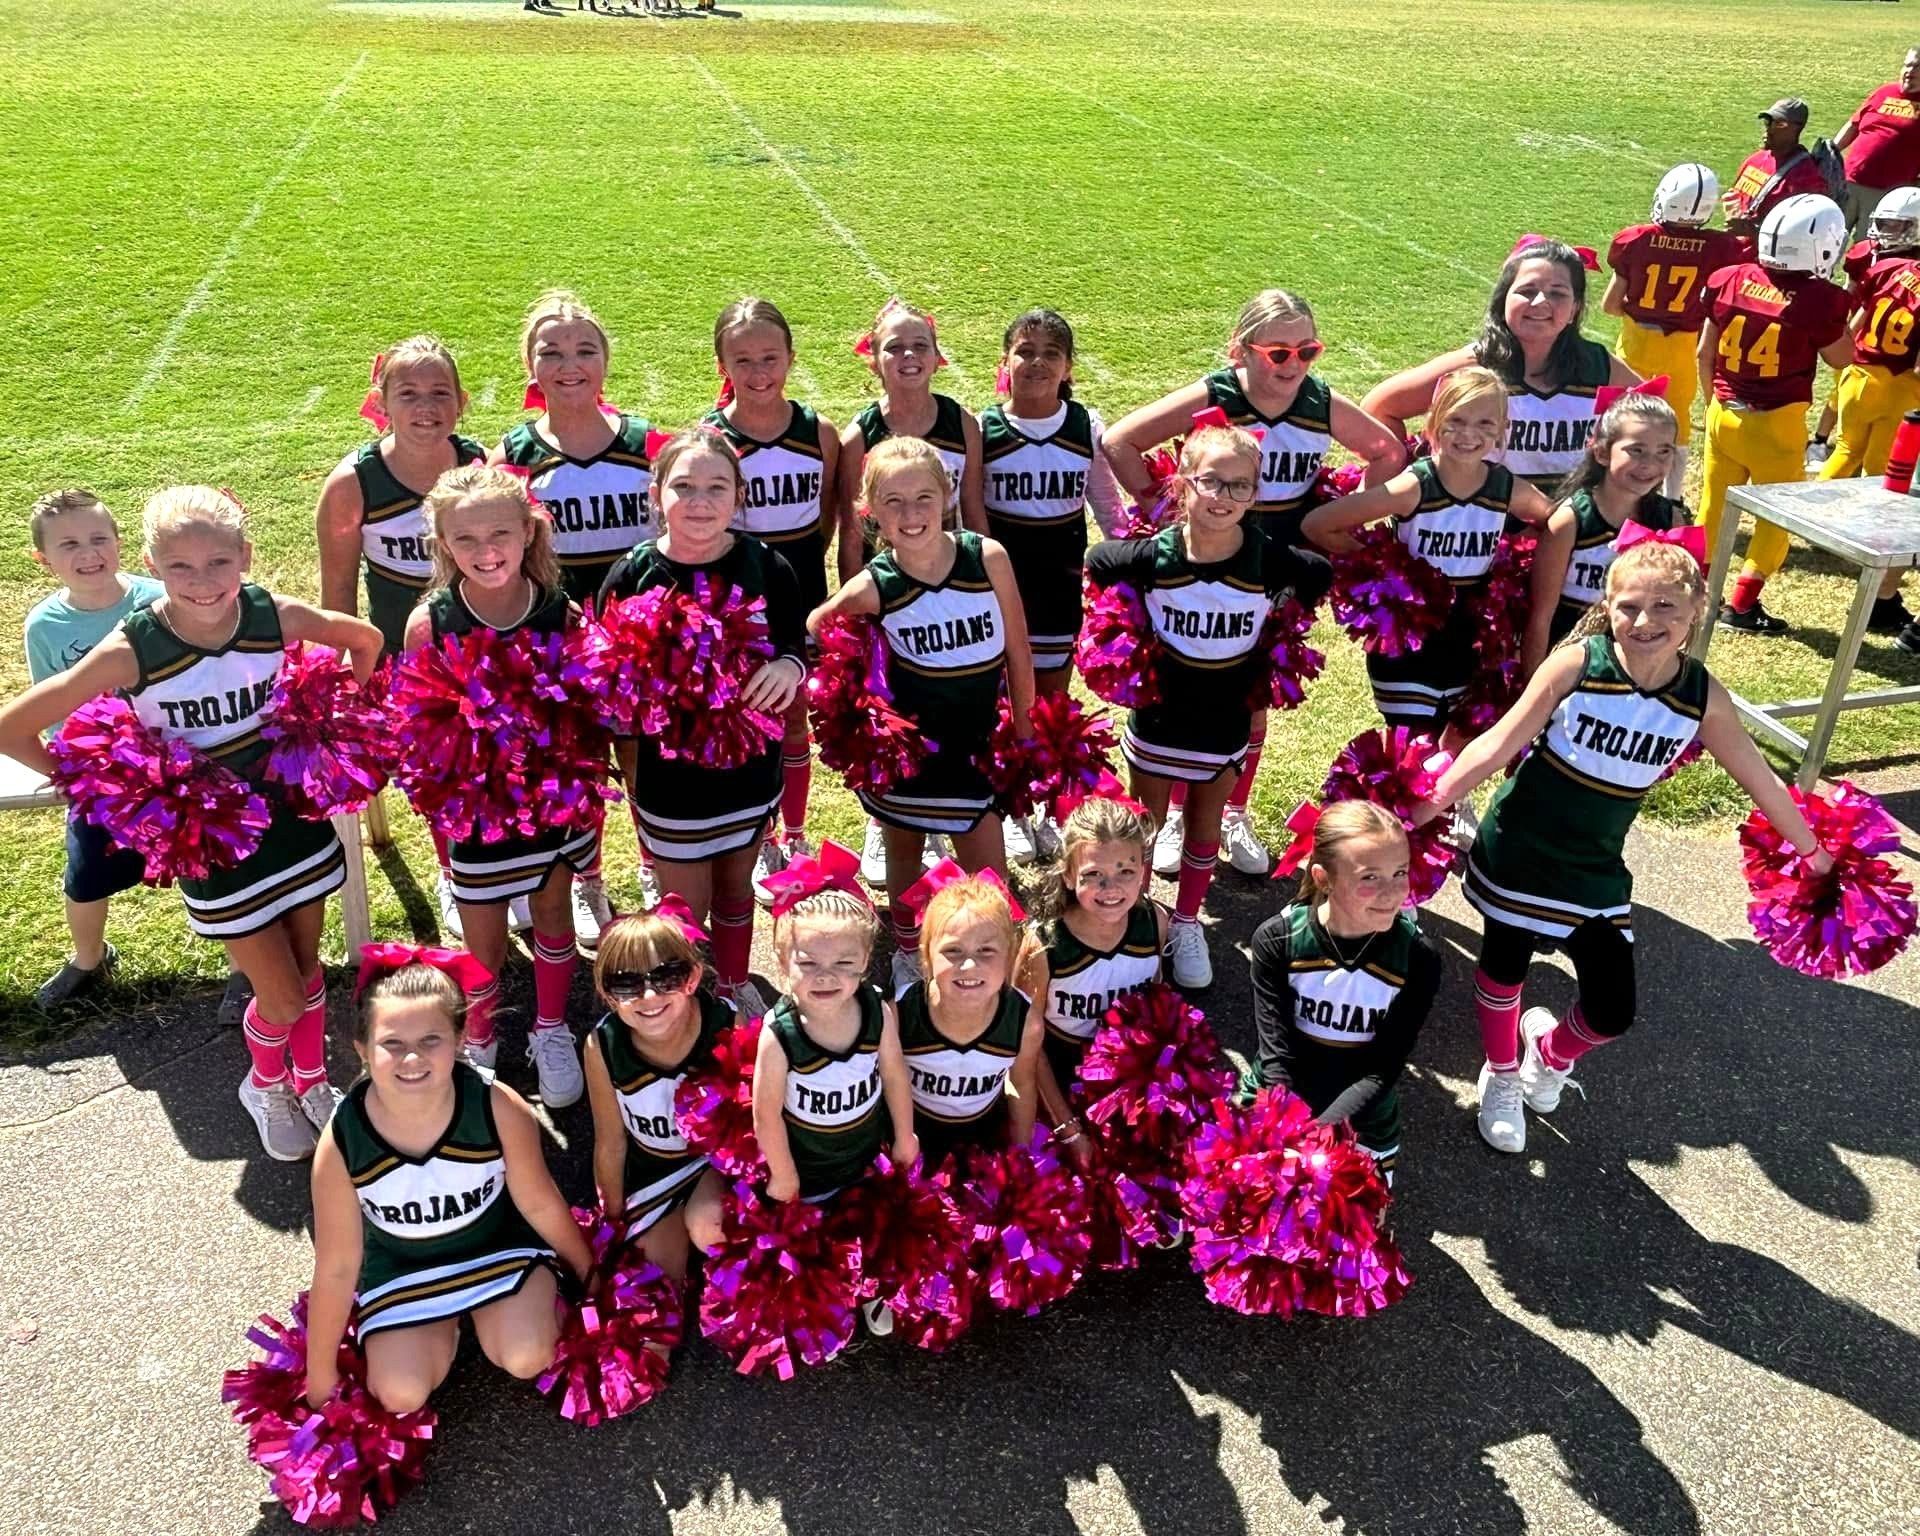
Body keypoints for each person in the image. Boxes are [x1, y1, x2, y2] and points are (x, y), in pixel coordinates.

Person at [1413, 540, 1835, 1155]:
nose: (1644, 622)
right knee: (1505, 968)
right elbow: (1497, 746)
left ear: (1697, 610)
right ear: (1607, 607)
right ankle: (1501, 1076)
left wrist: (1815, 854)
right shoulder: (1578, 664)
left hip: (1595, 868)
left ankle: (1546, 1055)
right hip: (1522, 846)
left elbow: (1759, 780)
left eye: (1665, 605)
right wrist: (1422, 809)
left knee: (1613, 1009)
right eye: (1629, 606)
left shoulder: (1699, 696)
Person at [0, 487, 380, 1159]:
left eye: (218, 563)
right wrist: (98, 788)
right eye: (179, 567)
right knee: (283, 1000)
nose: (202, 582)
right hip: (214, 843)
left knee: (307, 969)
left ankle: (315, 1081)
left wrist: (332, 725)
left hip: (292, 821)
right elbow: (14, 727)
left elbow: (363, 639)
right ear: (151, 564)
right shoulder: (133, 649)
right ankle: (265, 1084)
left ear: (246, 557)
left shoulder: (269, 614)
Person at [1103, 290, 1403, 878]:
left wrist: (1336, 518)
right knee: (1190, 673)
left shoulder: (1319, 400)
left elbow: (1387, 451)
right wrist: (1170, 510)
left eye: (1307, 351)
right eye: (1278, 352)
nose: (1293, 365)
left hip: (1275, 563)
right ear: (1241, 351)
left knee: (1253, 690)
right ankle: (1181, 813)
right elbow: (1120, 440)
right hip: (1204, 559)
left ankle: (1232, 810)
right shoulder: (1217, 393)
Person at [1083, 424, 1332, 991]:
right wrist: (1123, 628)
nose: (1223, 497)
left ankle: (1189, 920)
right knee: (1140, 826)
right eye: (1210, 482)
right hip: (1159, 715)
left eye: (1239, 486)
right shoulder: (1154, 556)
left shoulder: (1268, 561)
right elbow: (1100, 560)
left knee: (1205, 823)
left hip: (1224, 719)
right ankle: (1139, 918)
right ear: (1183, 484)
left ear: (1256, 493)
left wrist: (1284, 622)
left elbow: (1317, 574)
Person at [304, 951, 593, 1414]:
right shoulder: (343, 1139)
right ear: (361, 1049)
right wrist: (319, 1378)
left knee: (528, 1356)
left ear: (460, 1039)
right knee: (399, 1394)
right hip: (403, 1269)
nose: (413, 1057)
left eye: (431, 1039)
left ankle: (503, 1313)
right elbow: (338, 1264)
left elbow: (540, 1204)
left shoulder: (495, 1105)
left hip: (497, 1248)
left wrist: (591, 1276)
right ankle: (444, 1330)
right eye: (392, 1043)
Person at [807, 438, 1034, 997]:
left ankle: (990, 963)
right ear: (871, 512)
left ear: (948, 495)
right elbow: (818, 625)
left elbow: (1019, 652)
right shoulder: (874, 586)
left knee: (988, 877)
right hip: (911, 759)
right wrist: (858, 700)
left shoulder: (987, 559)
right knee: (903, 854)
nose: (912, 515)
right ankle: (909, 952)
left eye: (923, 497)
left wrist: (1026, 730)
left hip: (977, 751)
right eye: (894, 502)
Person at [598, 428, 807, 1019]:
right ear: (655, 493)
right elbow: (606, 674)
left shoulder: (767, 566)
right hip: (672, 779)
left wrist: (790, 665)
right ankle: (683, 1000)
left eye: (717, 487)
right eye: (683, 486)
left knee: (738, 889)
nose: (700, 501)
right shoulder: (634, 573)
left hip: (749, 771)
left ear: (739, 497)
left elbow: (797, 640)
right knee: (683, 902)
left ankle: (734, 982)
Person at [402, 465, 591, 1105]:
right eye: (466, 540)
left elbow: (587, 708)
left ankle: (550, 1025)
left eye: (500, 535)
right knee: (482, 930)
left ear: (528, 531)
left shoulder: (560, 613)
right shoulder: (432, 622)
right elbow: (421, 729)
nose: (487, 553)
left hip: (550, 801)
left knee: (550, 912)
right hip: (475, 808)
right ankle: (480, 1029)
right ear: (443, 544)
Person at [493, 289, 657, 948]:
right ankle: (588, 880)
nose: (570, 364)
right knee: (579, 770)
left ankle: (654, 866)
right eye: (551, 352)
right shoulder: (514, 455)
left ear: (606, 361)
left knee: (647, 763)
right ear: (531, 367)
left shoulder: (647, 444)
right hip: (556, 650)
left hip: (642, 646)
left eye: (585, 350)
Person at [315, 336, 487, 938]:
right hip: (396, 665)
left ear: (462, 402)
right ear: (380, 402)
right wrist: (340, 682)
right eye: (408, 393)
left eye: (440, 392)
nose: (426, 406)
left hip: (476, 657)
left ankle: (495, 868)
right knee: (439, 771)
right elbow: (336, 594)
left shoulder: (482, 469)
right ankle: (451, 873)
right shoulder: (353, 483)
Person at [1302, 367, 1553, 746]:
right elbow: (1320, 524)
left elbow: (1554, 521)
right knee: (1410, 742)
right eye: (1456, 420)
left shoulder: (1506, 488)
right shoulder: (1415, 485)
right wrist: (1379, 564)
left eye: (1485, 423)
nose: (1469, 434)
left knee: (1457, 736)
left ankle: (1447, 805)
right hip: (1414, 632)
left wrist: (1517, 560)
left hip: (1472, 629)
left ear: (1503, 428)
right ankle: (1401, 804)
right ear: (1434, 422)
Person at [834, 300, 986, 885]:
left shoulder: (961, 422)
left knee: (951, 700)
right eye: (894, 346)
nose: (908, 356)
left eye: (919, 345)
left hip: (953, 583)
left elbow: (973, 511)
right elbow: (852, 531)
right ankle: (884, 820)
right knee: (892, 709)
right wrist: (854, 611)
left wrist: (982, 585)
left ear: (936, 355)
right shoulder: (860, 433)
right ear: (873, 358)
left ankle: (950, 811)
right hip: (887, 594)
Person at [702, 298, 841, 904]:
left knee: (794, 718)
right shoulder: (712, 439)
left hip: (800, 593)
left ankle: (796, 833)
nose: (758, 372)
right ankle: (759, 837)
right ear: (722, 363)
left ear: (791, 357)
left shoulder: (819, 432)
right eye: (743, 360)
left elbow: (829, 517)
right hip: (737, 604)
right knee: (747, 718)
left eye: (770, 358)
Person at [979, 307, 1126, 863]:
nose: (1037, 362)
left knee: (1050, 700)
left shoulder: (1084, 427)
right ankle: (1007, 807)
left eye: (1051, 353)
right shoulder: (985, 428)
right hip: (1000, 586)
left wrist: (1136, 562)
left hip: (1058, 585)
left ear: (1068, 367)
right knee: (1002, 699)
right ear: (1006, 361)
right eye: (1025, 351)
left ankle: (1042, 802)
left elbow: (1108, 507)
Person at [1244, 801, 1440, 1187]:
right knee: (1245, 1211)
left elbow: (1383, 1066)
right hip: (1280, 1092)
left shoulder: (1418, 957)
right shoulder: (1279, 939)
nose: (1392, 892)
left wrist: (1323, 1134)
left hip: (1362, 1107)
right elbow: (1276, 1051)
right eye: (1370, 877)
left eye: (1400, 872)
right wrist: (1288, 1129)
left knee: (1352, 1232)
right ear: (1323, 878)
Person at [20, 489, 162, 1008]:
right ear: (43, 559)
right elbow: (55, 712)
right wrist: (84, 767)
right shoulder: (45, 625)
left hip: (176, 760)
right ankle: (88, 958)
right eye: (69, 544)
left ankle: (242, 967)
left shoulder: (157, 600)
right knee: (85, 875)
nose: (88, 553)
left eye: (99, 538)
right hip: (102, 775)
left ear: (119, 542)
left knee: (208, 862)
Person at [1363, 239, 1639, 493]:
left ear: (1575, 309)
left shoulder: (1598, 365)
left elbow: (1655, 415)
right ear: (1502, 300)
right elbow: (1381, 408)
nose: (1541, 302)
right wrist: (1412, 475)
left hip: (1571, 527)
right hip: (1483, 528)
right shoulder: (1474, 366)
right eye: (1527, 291)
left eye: (1557, 293)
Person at [1697, 194, 1853, 635]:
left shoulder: (1729, 278)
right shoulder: (1821, 299)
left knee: (1711, 507)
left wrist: (1715, 402)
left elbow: (1703, 352)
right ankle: (1741, 607)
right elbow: (1842, 358)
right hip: (1776, 424)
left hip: (1723, 413)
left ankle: (1695, 593)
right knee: (1775, 518)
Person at [582, 911, 735, 1283]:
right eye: (625, 984)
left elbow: (753, 1116)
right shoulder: (602, 1047)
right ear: (606, 994)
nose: (649, 996)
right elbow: (611, 1144)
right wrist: (613, 1223)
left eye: (667, 976)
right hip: (652, 1173)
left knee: (710, 1227)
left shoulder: (725, 1024)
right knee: (651, 1300)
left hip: (711, 1165)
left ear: (693, 977)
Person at [1021, 794, 1166, 1167]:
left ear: (1143, 870)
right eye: (1093, 876)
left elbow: (1160, 1008)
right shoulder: (1044, 947)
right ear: (1068, 876)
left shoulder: (1154, 923)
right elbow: (1026, 1050)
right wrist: (1068, 1127)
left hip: (1129, 1078)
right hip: (1058, 1077)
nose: (1111, 888)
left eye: (1125, 872)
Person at [1601, 166, 1748, 495]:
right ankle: (1673, 496)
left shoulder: (1636, 240)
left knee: (1622, 413)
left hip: (1637, 342)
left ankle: (1612, 486)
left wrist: (1637, 311)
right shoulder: (1719, 246)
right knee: (1676, 421)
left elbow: (1610, 305)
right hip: (1681, 346)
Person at [1814, 187, 1920, 636]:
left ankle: (1812, 512)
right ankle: (1862, 537)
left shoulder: (1882, 266)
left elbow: (1854, 313)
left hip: (1859, 372)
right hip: (1900, 383)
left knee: (1846, 449)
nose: (1884, 233)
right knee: (1885, 473)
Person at [1525, 391, 1690, 670]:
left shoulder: (1670, 520)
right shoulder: (1570, 521)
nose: (1650, 464)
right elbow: (1540, 618)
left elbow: (1678, 613)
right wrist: (1534, 693)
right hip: (1568, 663)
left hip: (1638, 664)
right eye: (1636, 450)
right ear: (1601, 452)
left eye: (1664, 451)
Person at [896, 870, 1042, 1170]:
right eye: (953, 951)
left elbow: (1022, 1083)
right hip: (914, 1138)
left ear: (1010, 957)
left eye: (986, 951)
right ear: (926, 956)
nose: (970, 965)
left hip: (983, 1137)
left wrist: (1022, 1154)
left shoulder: (1023, 1021)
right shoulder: (901, 1014)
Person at [1833, 51, 1920, 243]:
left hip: (1886, 194)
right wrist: (1832, 150)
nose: (1909, 71)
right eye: (1907, 65)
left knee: (1867, 249)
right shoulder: (1884, 92)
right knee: (1827, 238)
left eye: (1917, 67)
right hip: (1848, 181)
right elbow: (1854, 124)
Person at [1723, 99, 1834, 239]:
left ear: (1797, 129)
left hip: (1762, 257)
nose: (1769, 129)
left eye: (1779, 124)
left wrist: (1752, 231)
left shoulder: (1805, 177)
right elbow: (1733, 197)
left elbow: (1802, 235)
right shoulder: (1755, 160)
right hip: (1733, 250)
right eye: (1768, 122)